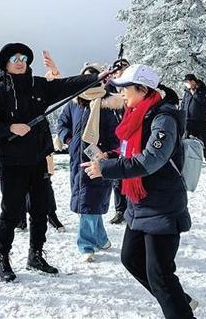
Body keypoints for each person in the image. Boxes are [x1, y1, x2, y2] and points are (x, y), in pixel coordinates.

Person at [0, 43, 111, 282]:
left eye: (23, 58)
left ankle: (36, 255)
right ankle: (2, 259)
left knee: (40, 210)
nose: (20, 61)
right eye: (14, 58)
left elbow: (65, 85)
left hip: (39, 159)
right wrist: (9, 128)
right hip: (12, 163)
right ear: (5, 64)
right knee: (10, 212)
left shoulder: (38, 85)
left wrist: (99, 76)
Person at [81, 64, 195, 319]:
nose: (121, 94)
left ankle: (181, 310)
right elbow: (130, 151)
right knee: (131, 258)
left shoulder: (163, 118)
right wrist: (109, 157)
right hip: (139, 201)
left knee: (160, 274)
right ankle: (180, 302)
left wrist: (107, 168)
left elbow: (150, 160)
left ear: (143, 89)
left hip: (162, 204)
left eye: (125, 89)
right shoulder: (138, 114)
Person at [57, 63, 123, 262]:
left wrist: (107, 153)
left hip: (98, 160)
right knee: (87, 201)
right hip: (77, 159)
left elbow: (117, 134)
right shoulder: (74, 102)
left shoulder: (108, 103)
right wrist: (68, 140)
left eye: (93, 78)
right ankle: (101, 238)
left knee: (90, 201)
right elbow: (62, 123)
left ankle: (85, 244)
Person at [109, 58, 130, 224]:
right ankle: (119, 210)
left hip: (131, 138)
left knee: (132, 173)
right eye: (117, 69)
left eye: (124, 68)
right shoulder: (108, 89)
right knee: (117, 179)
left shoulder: (134, 87)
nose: (120, 72)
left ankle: (131, 207)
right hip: (114, 139)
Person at [181, 73, 206, 165]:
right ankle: (188, 159)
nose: (186, 84)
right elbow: (183, 104)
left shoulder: (202, 90)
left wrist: (194, 93)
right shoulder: (187, 92)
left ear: (193, 81)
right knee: (187, 140)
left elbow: (204, 102)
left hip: (200, 120)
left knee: (203, 140)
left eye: (187, 82)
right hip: (188, 120)